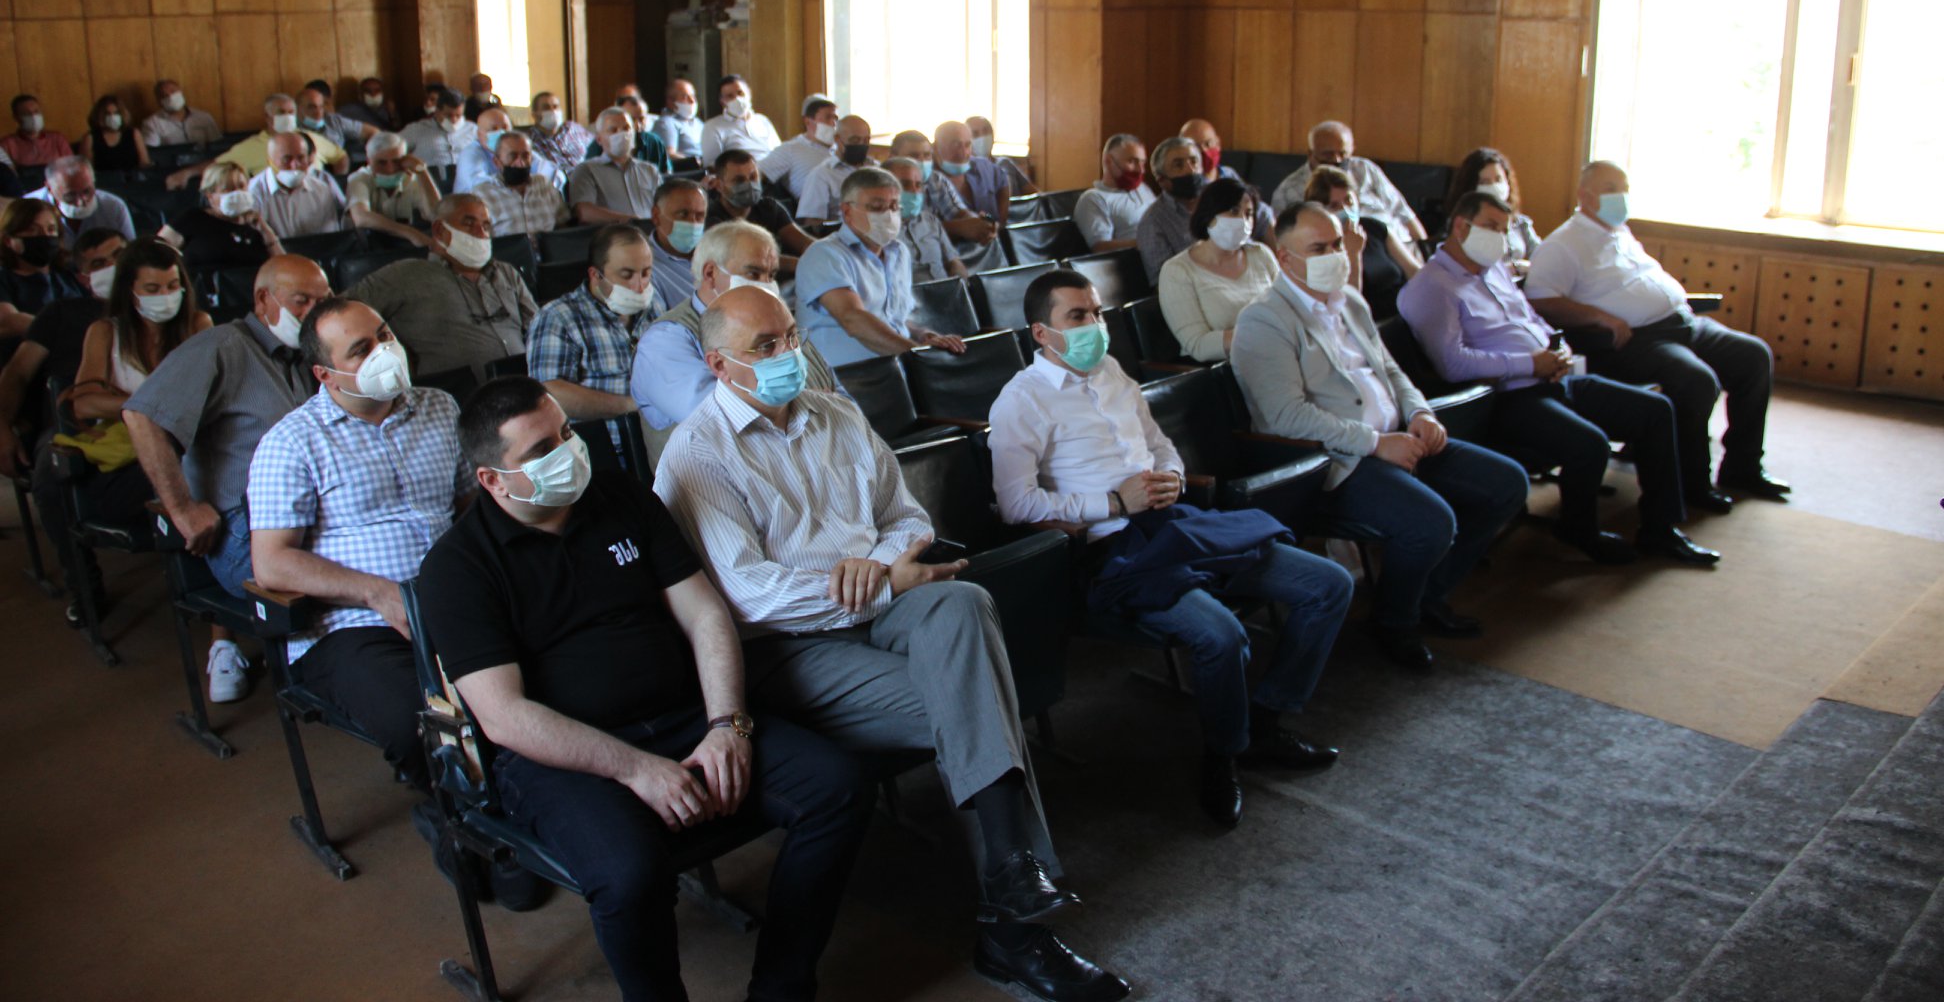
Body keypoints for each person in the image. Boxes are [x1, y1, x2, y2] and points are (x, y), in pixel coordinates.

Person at [655, 285, 1130, 1002]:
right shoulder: (696, 454)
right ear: (720, 366)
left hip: (882, 604)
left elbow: (907, 518)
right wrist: (878, 585)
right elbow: (750, 594)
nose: (789, 355)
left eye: (791, 337)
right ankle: (1015, 926)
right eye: (765, 347)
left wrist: (876, 566)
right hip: (789, 650)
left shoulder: (837, 412)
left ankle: (1010, 877)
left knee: (965, 602)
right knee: (976, 698)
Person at [417, 376, 872, 1001]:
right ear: (493, 480)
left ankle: (781, 987)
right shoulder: (457, 567)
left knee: (837, 788)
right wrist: (636, 769)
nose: (566, 452)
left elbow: (705, 614)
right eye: (541, 450)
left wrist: (727, 725)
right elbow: (504, 716)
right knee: (629, 874)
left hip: (684, 717)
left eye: (566, 433)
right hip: (562, 760)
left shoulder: (621, 495)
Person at [991, 269, 1352, 825]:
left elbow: (1162, 446)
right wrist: (1114, 502)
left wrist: (1173, 478)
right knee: (1221, 636)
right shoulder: (1021, 400)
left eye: (1097, 312)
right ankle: (1224, 754)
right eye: (1077, 316)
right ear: (1042, 333)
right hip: (1112, 548)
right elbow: (1016, 504)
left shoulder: (1112, 371)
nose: (1095, 325)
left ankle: (1266, 721)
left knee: (1329, 585)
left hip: (1172, 522)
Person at [1229, 203, 1528, 670]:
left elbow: (1389, 370)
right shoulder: (1264, 319)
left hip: (1398, 438)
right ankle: (1394, 622)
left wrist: (1420, 412)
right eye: (1318, 249)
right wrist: (1374, 442)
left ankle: (1425, 595)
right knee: (1430, 522)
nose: (1335, 256)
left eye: (1336, 245)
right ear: (1285, 258)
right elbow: (1285, 416)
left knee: (1506, 483)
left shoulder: (1350, 301)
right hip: (1336, 461)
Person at [1398, 190, 1719, 567]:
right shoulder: (1431, 287)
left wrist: (1559, 348)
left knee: (1655, 411)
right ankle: (1579, 529)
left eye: (1503, 229)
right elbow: (1452, 364)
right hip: (1508, 399)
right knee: (1590, 444)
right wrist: (1529, 364)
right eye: (1490, 227)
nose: (1498, 237)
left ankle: (1660, 529)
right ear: (1460, 226)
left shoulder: (1494, 269)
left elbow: (1532, 318)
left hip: (1554, 377)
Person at [248, 297, 470, 795]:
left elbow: (467, 504)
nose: (384, 351)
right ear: (325, 375)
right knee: (424, 724)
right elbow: (272, 562)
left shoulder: (439, 406)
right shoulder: (293, 442)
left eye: (385, 335)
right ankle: (451, 817)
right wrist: (378, 593)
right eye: (361, 349)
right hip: (354, 625)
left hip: (450, 599)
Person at [124, 255, 331, 702]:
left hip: (309, 511)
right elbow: (142, 416)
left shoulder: (306, 355)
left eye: (324, 300)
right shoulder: (222, 346)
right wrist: (182, 508)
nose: (315, 312)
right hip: (243, 525)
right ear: (264, 300)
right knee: (348, 576)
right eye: (302, 301)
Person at [1526, 161, 1788, 508]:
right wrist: (1599, 317)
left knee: (1754, 356)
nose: (1621, 197)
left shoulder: (1618, 231)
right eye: (1611, 189)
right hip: (1638, 340)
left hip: (1683, 322)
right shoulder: (1563, 244)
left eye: (1624, 189)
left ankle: (1743, 466)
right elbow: (1541, 300)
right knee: (1697, 382)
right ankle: (1692, 483)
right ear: (1584, 196)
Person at [67, 240, 213, 597]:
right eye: (152, 289)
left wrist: (126, 402)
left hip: (188, 451)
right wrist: (149, 405)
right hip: (130, 463)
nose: (165, 296)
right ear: (130, 291)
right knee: (196, 488)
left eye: (172, 286)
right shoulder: (105, 332)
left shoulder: (198, 324)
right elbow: (83, 404)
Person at [633, 222, 844, 463]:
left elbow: (839, 400)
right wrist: (814, 403)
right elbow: (724, 419)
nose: (767, 284)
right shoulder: (665, 340)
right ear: (710, 273)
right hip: (719, 480)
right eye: (753, 274)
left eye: (771, 275)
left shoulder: (783, 325)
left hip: (816, 464)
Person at [0, 230, 125, 609]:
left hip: (142, 416)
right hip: (72, 423)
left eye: (119, 256)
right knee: (51, 472)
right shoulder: (60, 314)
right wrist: (2, 427)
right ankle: (84, 585)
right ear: (84, 277)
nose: (113, 267)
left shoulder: (159, 310)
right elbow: (17, 373)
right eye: (99, 263)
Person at [794, 168, 968, 368]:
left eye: (894, 206)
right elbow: (853, 319)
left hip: (895, 365)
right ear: (847, 212)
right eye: (877, 207)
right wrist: (918, 357)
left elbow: (891, 318)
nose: (888, 214)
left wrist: (922, 335)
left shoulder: (899, 252)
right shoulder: (824, 255)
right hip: (844, 376)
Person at [348, 194, 535, 380]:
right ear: (439, 230)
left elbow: (536, 326)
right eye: (469, 224)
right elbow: (343, 313)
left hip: (526, 384)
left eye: (486, 226)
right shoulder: (405, 275)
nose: (481, 233)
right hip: (456, 393)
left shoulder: (506, 273)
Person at [527, 223, 659, 446]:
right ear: (595, 275)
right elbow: (549, 392)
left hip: (663, 438)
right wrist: (630, 406)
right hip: (607, 448)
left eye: (646, 273)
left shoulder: (654, 306)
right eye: (626, 275)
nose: (639, 286)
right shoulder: (558, 318)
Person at [1157, 178, 1278, 363]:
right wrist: (1260, 335)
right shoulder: (1177, 271)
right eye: (1233, 211)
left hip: (1276, 354)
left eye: (1249, 214)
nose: (1243, 221)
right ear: (1209, 214)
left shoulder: (1261, 254)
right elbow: (1198, 345)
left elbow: (1288, 307)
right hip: (1223, 370)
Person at [1271, 120, 1426, 257]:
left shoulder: (1365, 169)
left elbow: (1403, 213)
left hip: (1401, 245)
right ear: (1311, 154)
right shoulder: (1288, 191)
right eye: (1328, 155)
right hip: (1351, 254)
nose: (1336, 160)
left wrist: (1426, 249)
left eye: (1343, 154)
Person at [1304, 165, 1415, 319]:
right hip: (1372, 323)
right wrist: (1353, 253)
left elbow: (1415, 272)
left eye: (1348, 201)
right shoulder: (1318, 248)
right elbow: (1349, 308)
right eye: (1334, 206)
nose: (1345, 210)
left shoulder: (1374, 227)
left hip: (1408, 311)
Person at [705, 149, 813, 277]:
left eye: (753, 177)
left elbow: (802, 242)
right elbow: (750, 258)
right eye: (739, 180)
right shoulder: (711, 217)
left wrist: (825, 252)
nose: (749, 185)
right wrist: (804, 265)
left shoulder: (769, 207)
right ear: (719, 186)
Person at [161, 164, 285, 270]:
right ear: (210, 196)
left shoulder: (255, 225)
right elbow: (158, 252)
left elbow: (283, 268)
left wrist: (266, 231)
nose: (237, 193)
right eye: (228, 189)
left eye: (241, 186)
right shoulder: (192, 219)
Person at [0, 199, 86, 337]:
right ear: (8, 240)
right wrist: (69, 329)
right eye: (32, 230)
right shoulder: (4, 279)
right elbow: (8, 321)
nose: (45, 236)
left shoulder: (69, 274)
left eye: (51, 229)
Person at [1177, 119, 1272, 241]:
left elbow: (1259, 210)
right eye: (1196, 147)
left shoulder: (1228, 173)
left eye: (1208, 144)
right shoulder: (1187, 184)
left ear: (1218, 143)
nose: (1204, 151)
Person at [1451, 147, 1542, 273]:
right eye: (1485, 182)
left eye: (1498, 180)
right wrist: (1514, 268)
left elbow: (1542, 256)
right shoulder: (1464, 225)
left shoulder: (1520, 222)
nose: (1493, 186)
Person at [345, 132, 439, 250]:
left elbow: (436, 214)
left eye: (397, 162)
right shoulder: (359, 179)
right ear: (369, 161)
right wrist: (409, 233)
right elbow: (361, 217)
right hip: (365, 247)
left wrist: (422, 172)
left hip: (401, 244)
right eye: (381, 163)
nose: (390, 169)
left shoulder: (410, 178)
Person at [216, 94, 348, 178]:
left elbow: (341, 157)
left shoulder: (312, 138)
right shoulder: (250, 146)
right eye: (281, 112)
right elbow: (216, 166)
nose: (287, 117)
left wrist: (339, 180)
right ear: (267, 117)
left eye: (291, 112)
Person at [245, 133, 347, 240]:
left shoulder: (321, 189)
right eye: (286, 159)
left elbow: (329, 238)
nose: (294, 165)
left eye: (301, 158)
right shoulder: (253, 192)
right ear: (270, 161)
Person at [1135, 135, 1207, 285]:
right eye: (1178, 165)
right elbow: (1164, 282)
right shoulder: (1153, 222)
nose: (1190, 170)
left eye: (1194, 162)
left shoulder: (1218, 202)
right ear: (1161, 180)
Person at [568, 107, 661, 223]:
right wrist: (630, 221)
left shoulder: (649, 169)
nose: (621, 134)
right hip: (614, 232)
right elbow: (584, 212)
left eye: (626, 128)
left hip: (653, 230)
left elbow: (664, 204)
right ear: (599, 139)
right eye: (613, 130)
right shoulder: (586, 170)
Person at [884, 156, 968, 284]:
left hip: (946, 291)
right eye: (904, 185)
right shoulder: (878, 228)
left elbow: (954, 262)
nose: (914, 191)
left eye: (918, 185)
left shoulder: (930, 220)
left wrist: (959, 286)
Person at [473, 130, 570, 238]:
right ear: (497, 162)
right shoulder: (483, 194)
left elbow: (563, 224)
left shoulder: (544, 185)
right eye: (513, 156)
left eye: (525, 156)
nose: (521, 163)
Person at [30, 156, 138, 248]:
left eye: (87, 191)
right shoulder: (29, 208)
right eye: (70, 195)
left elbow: (130, 252)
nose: (81, 202)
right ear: (50, 188)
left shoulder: (113, 207)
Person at [1073, 134, 1155, 252]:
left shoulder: (1143, 188)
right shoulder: (1093, 198)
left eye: (1142, 163)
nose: (1140, 170)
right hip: (1136, 259)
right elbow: (1100, 247)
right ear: (1108, 161)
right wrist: (1149, 242)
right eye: (1132, 161)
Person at [790, 114, 876, 224]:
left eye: (866, 140)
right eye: (855, 140)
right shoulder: (822, 175)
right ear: (837, 139)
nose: (861, 145)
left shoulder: (878, 168)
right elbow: (812, 222)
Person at [756, 93, 839, 204]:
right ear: (808, 121)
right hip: (817, 209)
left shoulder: (841, 149)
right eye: (828, 117)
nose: (833, 123)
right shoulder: (790, 149)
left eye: (836, 118)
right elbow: (756, 173)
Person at [456, 107, 552, 195]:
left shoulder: (518, 148)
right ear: (479, 134)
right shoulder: (470, 153)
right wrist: (519, 187)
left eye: (505, 127)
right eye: (494, 129)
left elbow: (549, 171)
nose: (501, 133)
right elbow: (479, 185)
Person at [647, 178, 709, 314]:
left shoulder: (718, 250)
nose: (693, 223)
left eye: (700, 216)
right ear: (656, 216)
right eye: (683, 214)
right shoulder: (644, 266)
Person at [934, 120, 1009, 225]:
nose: (963, 152)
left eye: (967, 145)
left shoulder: (983, 167)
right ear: (936, 147)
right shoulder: (928, 179)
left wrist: (1000, 222)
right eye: (956, 145)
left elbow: (1003, 181)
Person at [700, 74, 780, 166]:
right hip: (744, 172)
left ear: (749, 94)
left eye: (740, 93)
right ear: (722, 101)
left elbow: (779, 151)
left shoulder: (762, 120)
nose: (737, 99)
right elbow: (711, 165)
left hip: (775, 169)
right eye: (730, 96)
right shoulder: (712, 126)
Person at [400, 87, 471, 180]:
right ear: (437, 111)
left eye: (458, 115)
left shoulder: (473, 130)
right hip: (430, 180)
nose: (454, 120)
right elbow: (392, 149)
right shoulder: (416, 129)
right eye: (448, 115)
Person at [525, 91, 593, 176]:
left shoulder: (573, 128)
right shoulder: (529, 142)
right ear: (534, 115)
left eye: (555, 106)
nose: (553, 111)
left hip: (590, 176)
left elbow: (596, 147)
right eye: (546, 108)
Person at [140, 79, 222, 149]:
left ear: (181, 92)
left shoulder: (204, 117)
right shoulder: (152, 123)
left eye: (173, 91)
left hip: (206, 160)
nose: (171, 97)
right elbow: (152, 152)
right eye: (164, 95)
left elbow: (217, 145)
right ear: (159, 102)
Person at [966, 115, 1038, 194]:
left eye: (986, 131)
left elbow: (1035, 194)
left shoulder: (1005, 163)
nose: (982, 137)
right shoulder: (964, 172)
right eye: (975, 134)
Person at [297, 83, 380, 151]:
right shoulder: (293, 127)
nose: (318, 113)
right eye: (312, 107)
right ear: (298, 109)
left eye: (321, 107)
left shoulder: (333, 120)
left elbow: (373, 132)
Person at [79, 95, 148, 172]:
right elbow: (86, 171)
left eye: (116, 113)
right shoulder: (90, 138)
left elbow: (145, 163)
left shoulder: (134, 134)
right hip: (104, 179)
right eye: (108, 114)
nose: (112, 117)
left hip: (133, 178)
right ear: (99, 116)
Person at [5, 94, 75, 167]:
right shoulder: (7, 144)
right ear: (16, 117)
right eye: (26, 113)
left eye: (36, 111)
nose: (33, 116)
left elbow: (72, 166)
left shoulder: (57, 138)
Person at [648, 77, 704, 164]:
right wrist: (697, 163)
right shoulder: (667, 123)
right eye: (685, 97)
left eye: (693, 96)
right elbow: (669, 154)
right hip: (690, 168)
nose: (692, 101)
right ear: (670, 101)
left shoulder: (698, 123)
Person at [616, 89, 670, 172]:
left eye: (641, 119)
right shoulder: (604, 144)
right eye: (631, 119)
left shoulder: (654, 142)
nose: (637, 125)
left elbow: (667, 174)